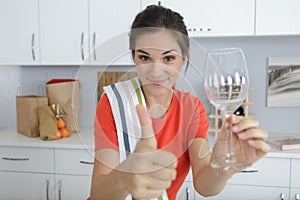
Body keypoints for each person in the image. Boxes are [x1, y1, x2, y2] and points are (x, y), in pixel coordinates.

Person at [90, 5, 270, 200]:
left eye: (168, 58)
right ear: (134, 57)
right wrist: (125, 179)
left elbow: (204, 186)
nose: (156, 71)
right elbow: (98, 194)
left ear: (184, 58)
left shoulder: (191, 109)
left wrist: (221, 168)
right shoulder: (113, 102)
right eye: (144, 57)